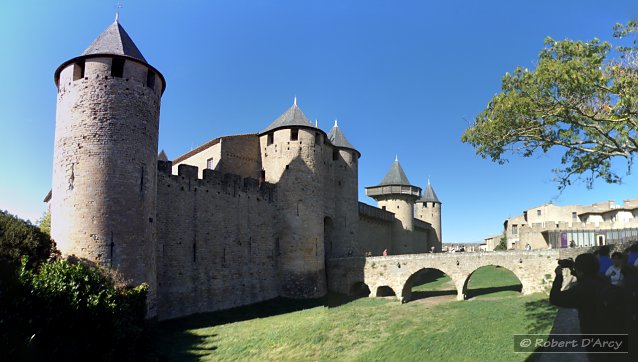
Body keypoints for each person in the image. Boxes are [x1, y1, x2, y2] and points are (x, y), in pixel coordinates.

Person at [550, 253, 628, 360]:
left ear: (580, 271)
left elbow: (555, 298)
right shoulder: (603, 280)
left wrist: (559, 276)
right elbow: (587, 277)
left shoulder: (581, 290)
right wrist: (576, 270)